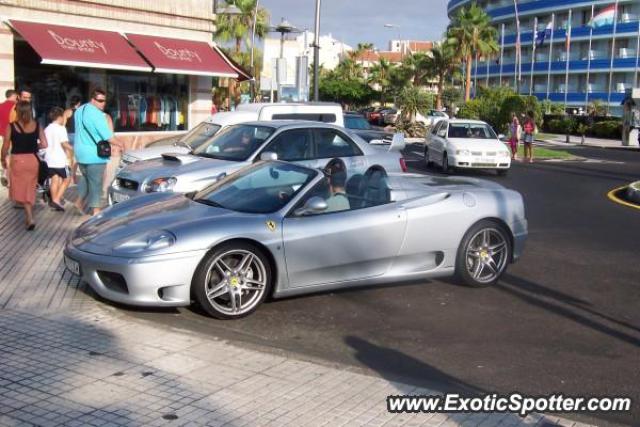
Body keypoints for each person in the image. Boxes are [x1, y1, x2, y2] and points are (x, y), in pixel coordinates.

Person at [74, 88, 122, 216]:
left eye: (104, 101)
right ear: (92, 99)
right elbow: (108, 136)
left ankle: (78, 202)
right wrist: (121, 144)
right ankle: (96, 212)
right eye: (100, 101)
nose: (103, 104)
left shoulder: (79, 110)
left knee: (85, 179)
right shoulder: (97, 115)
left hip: (80, 152)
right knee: (96, 183)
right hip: (94, 154)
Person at [1, 101, 48, 230]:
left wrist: (2, 159)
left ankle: (29, 216)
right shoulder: (37, 125)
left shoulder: (11, 126)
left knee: (21, 188)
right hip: (33, 159)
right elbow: (44, 144)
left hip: (17, 160)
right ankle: (29, 214)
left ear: (17, 111)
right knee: (30, 187)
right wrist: (33, 146)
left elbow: (5, 145)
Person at [44, 107, 73, 211]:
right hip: (60, 160)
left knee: (54, 179)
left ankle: (54, 201)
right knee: (68, 178)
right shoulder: (61, 128)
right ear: (60, 117)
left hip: (49, 160)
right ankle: (56, 199)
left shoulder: (47, 128)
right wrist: (74, 149)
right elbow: (64, 143)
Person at [0, 90, 18, 187]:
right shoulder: (15, 107)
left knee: (7, 155)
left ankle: (5, 173)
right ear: (14, 95)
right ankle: (9, 179)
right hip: (14, 135)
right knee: (12, 157)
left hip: (3, 134)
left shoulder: (0, 106)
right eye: (16, 96)